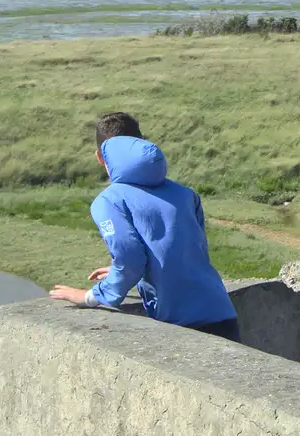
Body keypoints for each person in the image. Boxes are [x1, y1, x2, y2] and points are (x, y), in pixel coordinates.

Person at [48, 112, 241, 342]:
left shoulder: (108, 201)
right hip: (222, 313)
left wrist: (89, 296)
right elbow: (187, 252)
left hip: (182, 326)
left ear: (100, 157)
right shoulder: (186, 194)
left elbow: (129, 258)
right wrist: (139, 271)